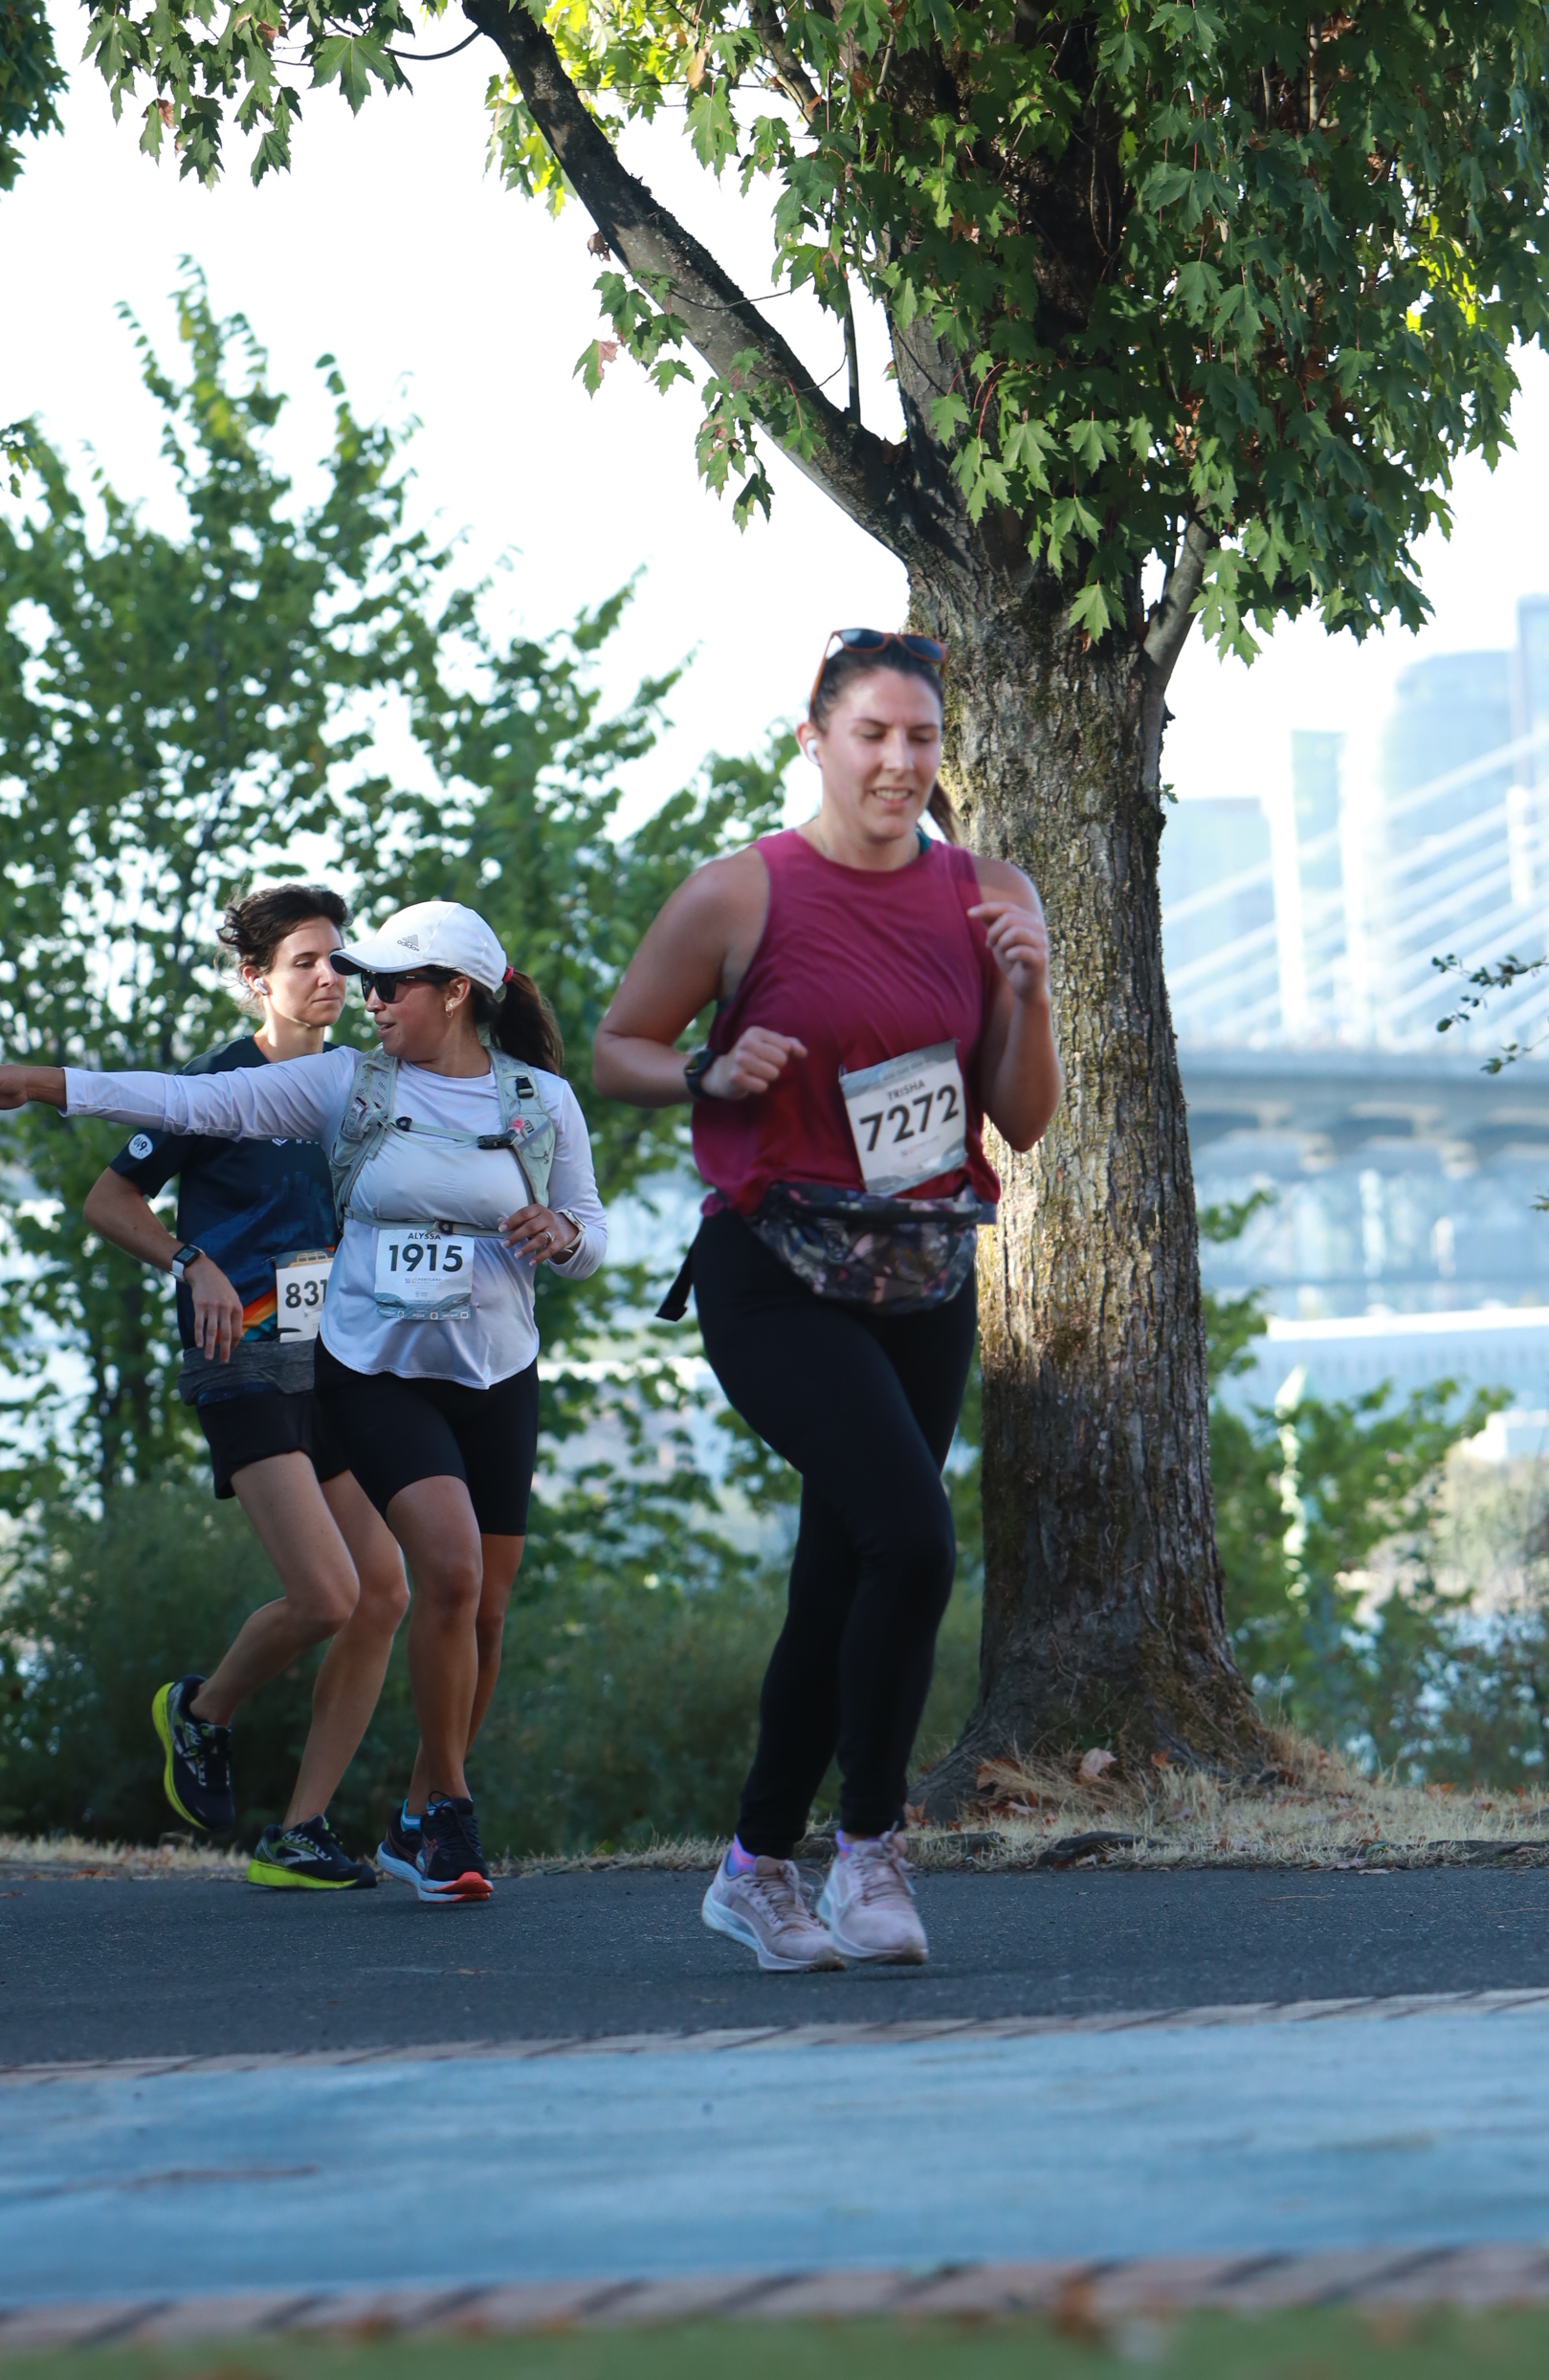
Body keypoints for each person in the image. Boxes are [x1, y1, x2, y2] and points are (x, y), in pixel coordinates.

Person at [593, 626, 1060, 1972]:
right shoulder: (741, 894)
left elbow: (1023, 1118)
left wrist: (1027, 994)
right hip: (776, 1274)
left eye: (922, 737)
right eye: (872, 735)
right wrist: (708, 1071)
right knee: (911, 1540)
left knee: (841, 1574)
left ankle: (753, 1869)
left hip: (923, 1275)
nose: (900, 762)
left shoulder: (988, 892)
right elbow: (618, 1048)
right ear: (814, 740)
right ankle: (867, 1849)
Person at [1, 897, 607, 1906]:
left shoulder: (508, 1098)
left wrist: (564, 1236)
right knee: (387, 1583)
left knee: (436, 1604)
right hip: (303, 1359)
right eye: (337, 971)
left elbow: (586, 1229)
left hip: (423, 1363)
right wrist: (43, 1086)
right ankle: (346, 1769)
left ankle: (361, 1823)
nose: (358, 993)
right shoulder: (321, 1083)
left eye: (378, 978)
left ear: (457, 993)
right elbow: (177, 1120)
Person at [78, 888, 407, 1890]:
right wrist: (192, 1262)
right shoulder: (214, 1086)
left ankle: (299, 1832)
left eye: (339, 960)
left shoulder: (360, 1086)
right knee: (326, 1595)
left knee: (384, 1593)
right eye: (306, 961)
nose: (330, 978)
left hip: (334, 1363)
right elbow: (108, 1199)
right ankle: (202, 1708)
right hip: (243, 1361)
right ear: (256, 979)